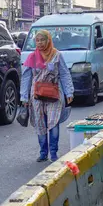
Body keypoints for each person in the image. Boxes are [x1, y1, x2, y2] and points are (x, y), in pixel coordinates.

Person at [20, 30, 74, 162]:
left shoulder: (57, 55)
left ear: (48, 40)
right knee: (40, 124)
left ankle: (54, 153)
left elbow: (65, 74)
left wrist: (69, 92)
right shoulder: (32, 57)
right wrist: (24, 97)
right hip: (37, 95)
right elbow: (26, 77)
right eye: (37, 40)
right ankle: (43, 152)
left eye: (42, 40)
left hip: (54, 94)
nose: (39, 43)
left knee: (53, 123)